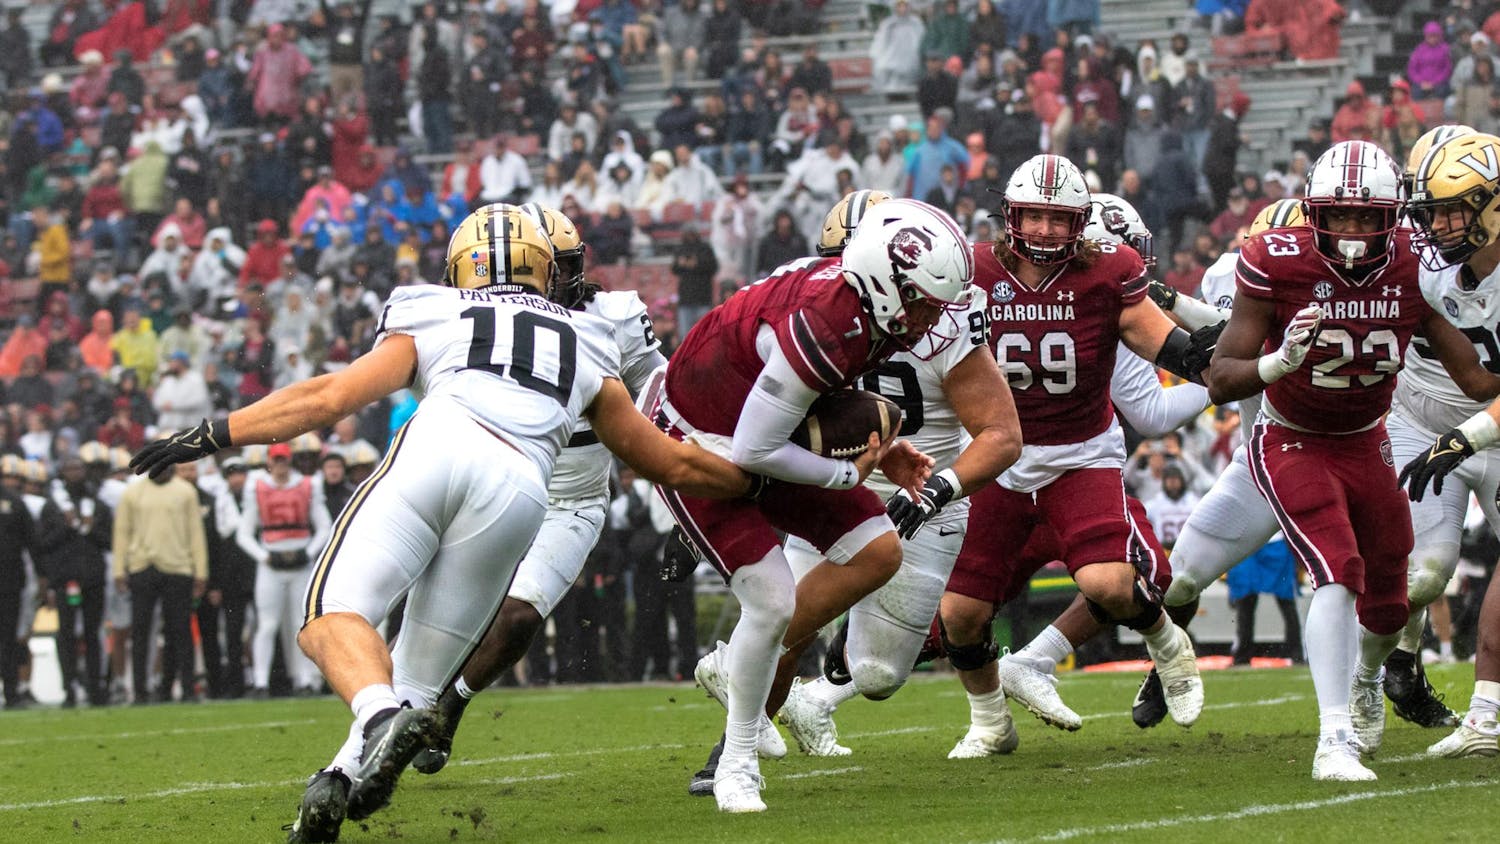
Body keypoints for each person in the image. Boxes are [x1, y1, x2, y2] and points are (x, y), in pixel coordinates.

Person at [131, 204, 752, 842]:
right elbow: (667, 459)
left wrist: (216, 433)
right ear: (545, 267)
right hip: (520, 495)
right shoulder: (590, 339)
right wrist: (754, 482)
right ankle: (334, 789)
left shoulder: (431, 305)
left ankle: (374, 719)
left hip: (439, 454)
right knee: (419, 685)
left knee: (332, 615)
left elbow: (330, 398)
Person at [656, 199, 973, 813]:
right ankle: (737, 763)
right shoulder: (829, 321)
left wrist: (886, 450)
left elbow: (801, 410)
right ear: (887, 283)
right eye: (923, 301)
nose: (931, 317)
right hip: (701, 446)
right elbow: (753, 447)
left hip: (759, 432)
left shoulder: (864, 309)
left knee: (877, 549)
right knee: (772, 602)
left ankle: (747, 662)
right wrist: (843, 471)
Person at [1208, 140, 1500, 781]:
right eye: (1338, 215)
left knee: (1395, 600)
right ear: (1313, 214)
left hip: (1368, 439)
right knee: (1337, 569)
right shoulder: (1275, 261)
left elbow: (1476, 382)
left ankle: (1369, 680)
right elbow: (1220, 377)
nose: (1351, 230)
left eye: (1367, 216)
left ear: (1390, 216)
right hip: (1293, 436)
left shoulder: (1412, 267)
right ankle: (1333, 738)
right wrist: (1276, 363)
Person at [708, 191, 1020, 769]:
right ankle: (732, 751)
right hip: (831, 484)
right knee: (785, 623)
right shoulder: (814, 314)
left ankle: (771, 675)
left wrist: (936, 490)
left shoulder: (943, 318)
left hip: (919, 494)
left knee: (877, 675)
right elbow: (751, 422)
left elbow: (1002, 435)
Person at [940, 154, 1215, 750]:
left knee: (1112, 584)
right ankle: (990, 722)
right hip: (999, 459)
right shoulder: (972, 271)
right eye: (1032, 216)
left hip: (1078, 454)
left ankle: (1168, 643)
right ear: (1009, 216)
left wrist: (1209, 361)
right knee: (960, 614)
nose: (1042, 229)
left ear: (1080, 224)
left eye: (1057, 219)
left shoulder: (1108, 270)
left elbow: (1156, 337)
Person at [403, 202, 667, 774]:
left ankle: (450, 708)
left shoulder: (614, 317)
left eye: (561, 264)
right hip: (493, 484)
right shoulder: (469, 319)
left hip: (570, 501)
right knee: (438, 614)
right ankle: (397, 714)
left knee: (520, 617)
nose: (554, 278)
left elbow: (659, 386)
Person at [237, 440, 330, 698]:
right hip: (271, 561)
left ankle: (305, 680)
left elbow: (324, 526)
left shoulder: (308, 485)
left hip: (300, 560)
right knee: (267, 624)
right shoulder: (257, 487)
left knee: (300, 624)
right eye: (276, 460)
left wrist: (307, 553)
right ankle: (261, 682)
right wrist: (264, 557)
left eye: (284, 460)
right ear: (269, 462)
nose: (280, 466)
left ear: (290, 461)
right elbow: (244, 533)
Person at [112, 457, 207, 703]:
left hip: (178, 567)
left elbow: (195, 532)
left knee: (181, 631)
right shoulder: (132, 493)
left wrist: (201, 571)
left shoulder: (185, 492)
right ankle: (140, 691)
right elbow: (122, 532)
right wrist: (119, 570)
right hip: (142, 566)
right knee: (141, 633)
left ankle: (187, 689)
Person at [45, 453, 113, 707]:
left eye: (78, 468)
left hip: (93, 578)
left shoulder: (96, 504)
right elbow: (43, 544)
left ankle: (96, 688)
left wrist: (91, 528)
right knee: (66, 634)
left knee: (93, 633)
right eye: (70, 469)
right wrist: (66, 527)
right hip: (65, 578)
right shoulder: (54, 506)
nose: (75, 474)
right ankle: (69, 688)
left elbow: (109, 541)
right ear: (62, 473)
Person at [0, 457, 37, 709]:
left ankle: (11, 691)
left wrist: (43, 576)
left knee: (8, 637)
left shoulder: (14, 502)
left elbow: (31, 543)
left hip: (9, 580)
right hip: (11, 578)